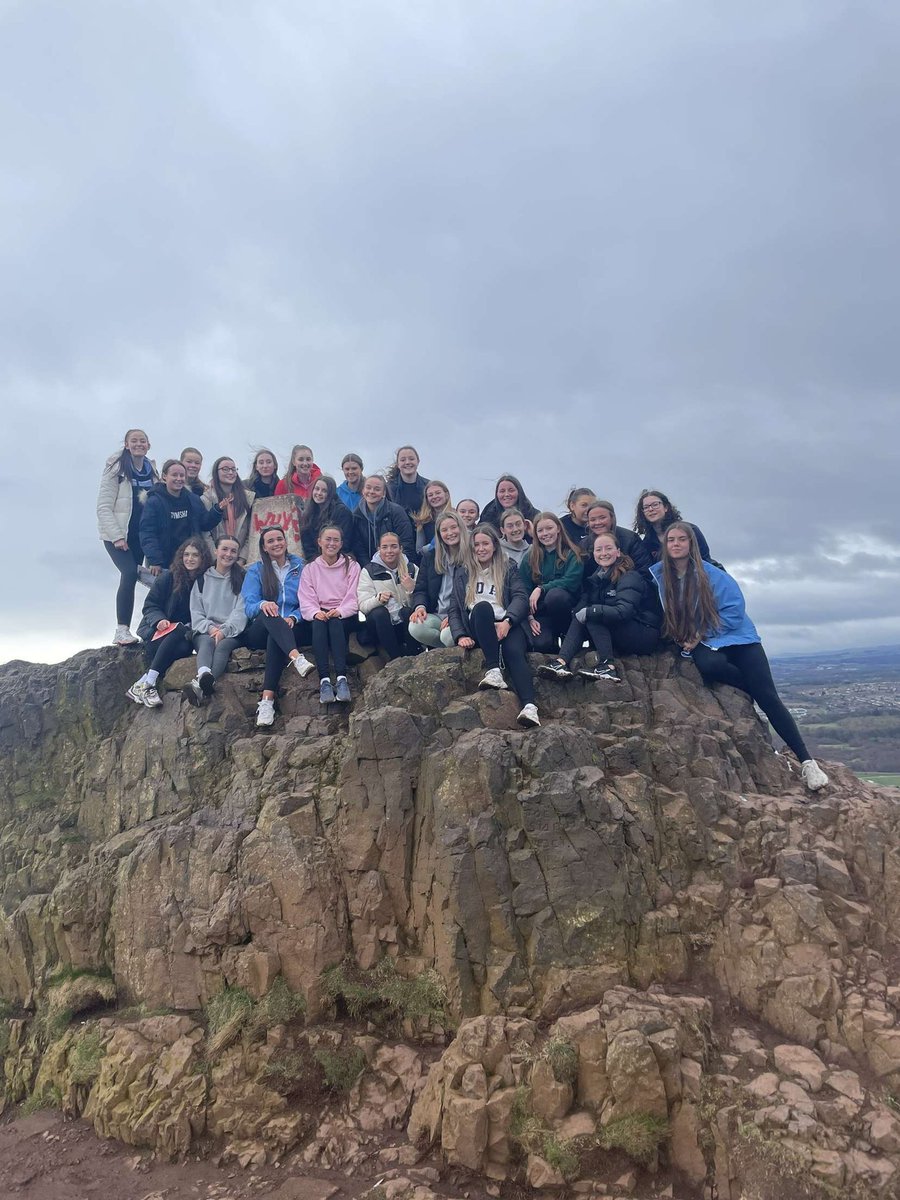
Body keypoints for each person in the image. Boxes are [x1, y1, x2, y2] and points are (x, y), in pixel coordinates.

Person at [651, 522, 828, 792]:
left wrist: (702, 633)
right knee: (709, 666)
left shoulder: (712, 574)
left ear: (691, 544)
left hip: (737, 637)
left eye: (681, 539)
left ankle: (807, 761)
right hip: (701, 642)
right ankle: (753, 691)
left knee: (768, 697)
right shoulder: (660, 577)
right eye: (671, 540)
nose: (675, 544)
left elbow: (734, 610)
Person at [448, 523, 540, 728]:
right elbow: (454, 607)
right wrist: (459, 635)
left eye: (485, 544)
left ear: (495, 546)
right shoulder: (463, 572)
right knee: (482, 607)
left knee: (514, 651)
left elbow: (520, 597)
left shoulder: (509, 567)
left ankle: (530, 707)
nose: (480, 548)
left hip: (507, 622)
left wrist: (508, 621)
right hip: (480, 623)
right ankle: (493, 670)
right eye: (476, 545)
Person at [540, 531, 661, 683]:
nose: (603, 553)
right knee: (584, 614)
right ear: (594, 554)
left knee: (592, 615)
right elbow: (579, 612)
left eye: (608, 548)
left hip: (643, 633)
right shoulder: (596, 579)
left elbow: (624, 611)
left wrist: (591, 611)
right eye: (598, 550)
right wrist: (580, 611)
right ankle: (562, 662)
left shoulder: (630, 576)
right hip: (620, 630)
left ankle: (608, 667)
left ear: (618, 552)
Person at [242, 526, 314, 728]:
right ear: (264, 547)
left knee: (277, 634)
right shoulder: (256, 570)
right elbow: (249, 604)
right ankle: (296, 658)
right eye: (270, 541)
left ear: (286, 541)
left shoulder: (301, 567)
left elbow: (309, 601)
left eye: (279, 539)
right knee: (269, 612)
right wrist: (262, 604)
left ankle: (267, 701)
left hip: (292, 627)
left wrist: (294, 616)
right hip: (260, 628)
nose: (276, 544)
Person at [126, 536, 212, 707]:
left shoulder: (205, 581)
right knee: (180, 630)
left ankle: (142, 683)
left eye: (195, 555)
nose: (190, 559)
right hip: (157, 634)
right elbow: (150, 605)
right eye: (186, 554)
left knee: (184, 646)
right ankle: (149, 684)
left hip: (180, 638)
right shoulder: (168, 577)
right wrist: (159, 620)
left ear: (203, 558)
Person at [97, 428, 159, 645]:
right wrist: (116, 536)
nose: (138, 444)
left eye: (143, 440)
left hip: (140, 536)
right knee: (129, 573)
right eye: (134, 441)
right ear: (126, 444)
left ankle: (151, 624)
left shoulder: (152, 470)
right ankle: (121, 629)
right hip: (118, 534)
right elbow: (103, 506)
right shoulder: (116, 469)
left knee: (143, 576)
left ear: (148, 445)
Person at [298, 526, 361, 704]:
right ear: (319, 542)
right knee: (318, 624)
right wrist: (316, 612)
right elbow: (306, 598)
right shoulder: (310, 569)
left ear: (341, 544)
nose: (331, 543)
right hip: (319, 613)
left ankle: (341, 679)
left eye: (335, 540)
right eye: (328, 539)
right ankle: (324, 680)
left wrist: (340, 611)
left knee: (335, 623)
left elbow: (354, 596)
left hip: (345, 614)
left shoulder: (352, 566)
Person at [184, 535, 248, 704]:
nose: (228, 554)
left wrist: (225, 630)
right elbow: (196, 611)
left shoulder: (242, 578)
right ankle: (204, 674)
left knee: (222, 647)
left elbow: (241, 610)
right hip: (206, 630)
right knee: (207, 642)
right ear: (216, 551)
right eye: (224, 549)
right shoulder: (201, 579)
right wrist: (211, 628)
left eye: (233, 551)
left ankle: (201, 685)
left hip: (232, 631)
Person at [140, 459, 225, 574]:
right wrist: (155, 561)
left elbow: (204, 524)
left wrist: (217, 510)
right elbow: (147, 533)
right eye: (174, 475)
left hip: (190, 559)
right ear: (165, 476)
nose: (179, 479)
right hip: (164, 561)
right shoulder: (154, 501)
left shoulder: (193, 499)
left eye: (182, 475)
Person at [521, 512, 582, 653]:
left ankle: (566, 634)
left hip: (565, 609)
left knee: (555, 596)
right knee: (541, 644)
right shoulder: (530, 557)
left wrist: (541, 588)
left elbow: (571, 581)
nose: (545, 533)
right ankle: (552, 641)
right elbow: (523, 589)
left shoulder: (572, 553)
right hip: (541, 613)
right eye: (540, 530)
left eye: (549, 528)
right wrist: (529, 617)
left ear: (558, 529)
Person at [409, 510, 469, 649]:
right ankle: (442, 653)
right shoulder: (430, 557)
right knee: (415, 627)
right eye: (444, 530)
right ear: (439, 534)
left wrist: (455, 616)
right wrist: (420, 607)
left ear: (461, 528)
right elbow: (421, 589)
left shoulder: (471, 557)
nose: (450, 533)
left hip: (460, 616)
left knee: (448, 636)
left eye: (454, 527)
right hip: (436, 614)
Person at [357, 531, 420, 660]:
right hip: (381, 626)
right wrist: (378, 600)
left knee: (408, 612)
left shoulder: (412, 569)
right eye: (384, 547)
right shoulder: (369, 571)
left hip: (404, 623)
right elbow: (362, 605)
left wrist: (411, 590)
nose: (389, 551)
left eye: (394, 546)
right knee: (379, 613)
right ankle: (395, 659)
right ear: (378, 549)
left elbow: (422, 602)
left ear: (401, 548)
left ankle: (414, 656)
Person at [348, 475, 415, 564]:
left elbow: (406, 543)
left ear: (383, 493)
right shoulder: (356, 515)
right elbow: (358, 548)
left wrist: (396, 567)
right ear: (363, 491)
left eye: (377, 489)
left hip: (396, 566)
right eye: (368, 488)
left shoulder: (397, 512)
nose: (371, 492)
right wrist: (370, 568)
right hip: (369, 568)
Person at [634, 489, 713, 565]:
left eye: (655, 505)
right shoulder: (647, 542)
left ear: (666, 507)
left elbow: (705, 560)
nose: (650, 509)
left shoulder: (691, 530)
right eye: (646, 507)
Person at [203, 456, 256, 563]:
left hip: (240, 559)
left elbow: (251, 533)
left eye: (233, 469)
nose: (230, 472)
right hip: (216, 560)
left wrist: (242, 559)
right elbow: (206, 534)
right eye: (225, 469)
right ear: (216, 472)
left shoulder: (248, 498)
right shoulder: (206, 499)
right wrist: (216, 558)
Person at [582, 500, 652, 575]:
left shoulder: (630, 539)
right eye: (593, 519)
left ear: (612, 518)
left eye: (602, 518)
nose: (598, 522)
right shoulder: (584, 544)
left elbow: (644, 571)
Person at [299, 475, 354, 563]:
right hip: (315, 560)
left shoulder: (342, 512)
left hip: (337, 559)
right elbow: (306, 541)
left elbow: (345, 542)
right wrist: (315, 560)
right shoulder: (309, 512)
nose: (319, 493)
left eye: (324, 491)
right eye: (317, 489)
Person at [385, 445, 429, 523]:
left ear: (418, 461)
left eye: (411, 459)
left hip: (424, 530)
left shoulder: (428, 486)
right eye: (403, 460)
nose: (407, 462)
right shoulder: (389, 487)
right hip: (397, 531)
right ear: (398, 464)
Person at [412, 480, 452, 555]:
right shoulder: (422, 520)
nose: (434, 497)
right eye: (430, 495)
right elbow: (419, 550)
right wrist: (433, 546)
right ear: (427, 499)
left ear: (446, 495)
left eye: (438, 493)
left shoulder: (456, 517)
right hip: (431, 562)